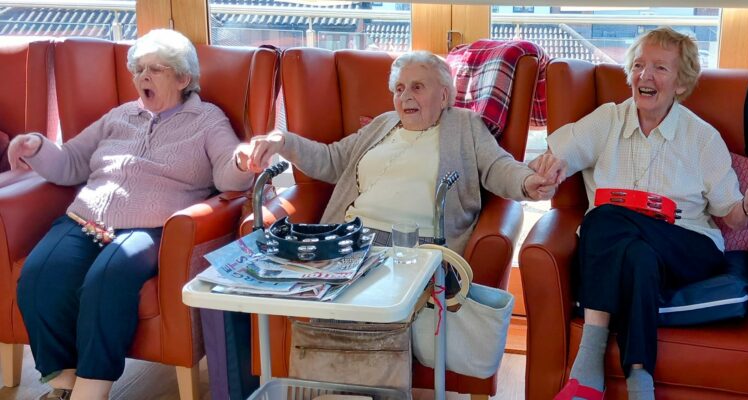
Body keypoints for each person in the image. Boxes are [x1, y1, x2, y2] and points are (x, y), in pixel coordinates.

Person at [9, 29, 256, 400]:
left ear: (183, 78)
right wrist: (37, 147)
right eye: (138, 69)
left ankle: (92, 389)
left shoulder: (207, 119)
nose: (143, 77)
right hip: (86, 219)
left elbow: (226, 172)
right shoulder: (120, 115)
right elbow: (72, 163)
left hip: (151, 227)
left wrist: (241, 161)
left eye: (155, 69)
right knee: (39, 275)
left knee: (107, 280)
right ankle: (62, 383)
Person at [530, 27, 748, 400]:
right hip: (628, 252)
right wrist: (548, 168)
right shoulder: (608, 120)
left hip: (688, 246)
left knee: (603, 217)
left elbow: (732, 217)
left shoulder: (702, 138)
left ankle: (588, 363)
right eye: (638, 65)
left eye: (660, 68)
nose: (645, 76)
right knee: (635, 253)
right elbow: (561, 153)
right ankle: (640, 380)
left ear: (681, 82)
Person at [240, 50, 565, 254]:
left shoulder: (465, 126)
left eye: (417, 87)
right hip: (350, 240)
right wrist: (282, 141)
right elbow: (331, 160)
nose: (405, 96)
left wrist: (527, 182)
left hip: (416, 247)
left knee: (372, 310)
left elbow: (498, 167)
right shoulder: (384, 123)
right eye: (399, 88)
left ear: (444, 95)